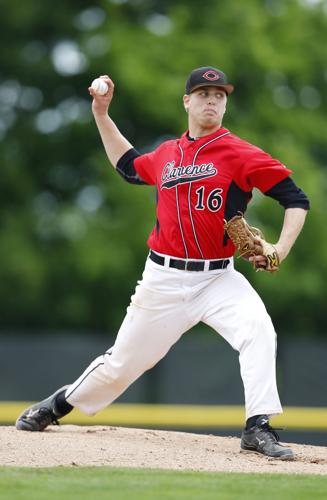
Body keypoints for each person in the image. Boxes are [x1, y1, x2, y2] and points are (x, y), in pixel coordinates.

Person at [16, 66, 309, 460]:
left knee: (258, 330)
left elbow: (296, 199)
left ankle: (258, 427)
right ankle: (59, 404)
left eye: (219, 95)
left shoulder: (241, 153)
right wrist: (102, 114)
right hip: (163, 278)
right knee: (122, 365)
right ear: (187, 101)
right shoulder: (168, 154)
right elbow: (128, 165)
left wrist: (280, 247)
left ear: (226, 103)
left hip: (218, 278)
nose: (212, 100)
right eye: (204, 93)